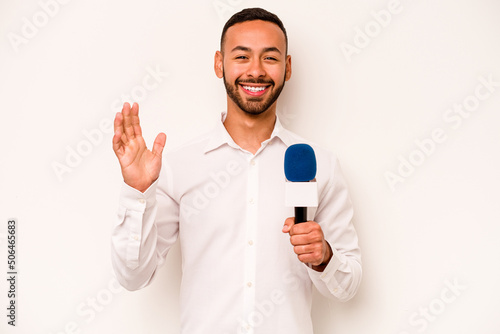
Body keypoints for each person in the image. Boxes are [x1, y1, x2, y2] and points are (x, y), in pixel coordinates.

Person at [111, 7, 361, 334]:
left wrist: (324, 256)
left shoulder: (319, 165)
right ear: (219, 64)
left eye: (269, 58)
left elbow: (348, 286)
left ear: (287, 68)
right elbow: (134, 276)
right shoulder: (179, 167)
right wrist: (137, 192)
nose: (255, 71)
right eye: (242, 57)